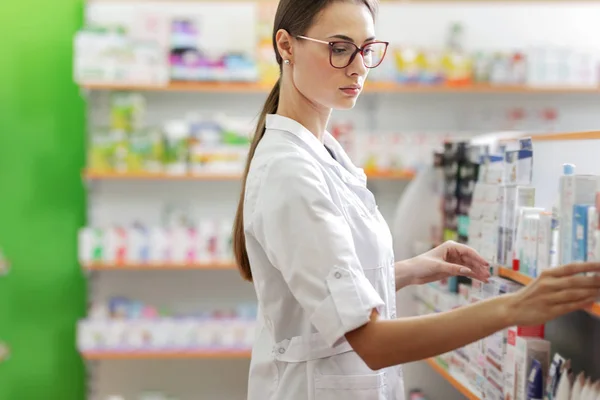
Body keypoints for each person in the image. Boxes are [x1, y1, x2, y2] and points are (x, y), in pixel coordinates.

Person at [232, 0, 600, 399]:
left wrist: (411, 269)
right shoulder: (290, 172)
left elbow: (326, 288)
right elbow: (373, 343)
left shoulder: (322, 153)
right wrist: (516, 308)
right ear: (286, 46)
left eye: (366, 49)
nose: (358, 67)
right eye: (339, 48)